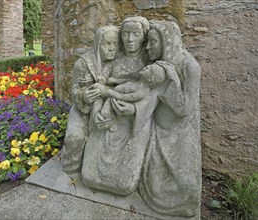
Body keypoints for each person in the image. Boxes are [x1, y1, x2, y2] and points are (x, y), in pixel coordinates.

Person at [81, 16, 155, 195]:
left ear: (143, 36)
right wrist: (97, 114)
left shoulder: (149, 63)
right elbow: (100, 87)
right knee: (89, 175)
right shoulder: (115, 59)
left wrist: (135, 110)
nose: (130, 39)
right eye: (126, 34)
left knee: (124, 183)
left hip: (134, 121)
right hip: (108, 117)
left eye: (135, 34)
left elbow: (153, 95)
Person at [138, 21, 202, 219]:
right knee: (154, 185)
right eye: (148, 42)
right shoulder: (156, 65)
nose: (148, 47)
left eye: (153, 42)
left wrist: (169, 79)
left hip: (180, 136)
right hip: (157, 133)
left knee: (186, 187)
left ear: (167, 42)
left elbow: (184, 109)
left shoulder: (189, 67)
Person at [61, 26, 119, 173]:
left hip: (109, 110)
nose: (112, 48)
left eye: (115, 44)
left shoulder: (120, 63)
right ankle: (72, 168)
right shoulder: (83, 63)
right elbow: (73, 91)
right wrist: (83, 96)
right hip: (83, 110)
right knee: (75, 138)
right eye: (107, 44)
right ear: (98, 44)